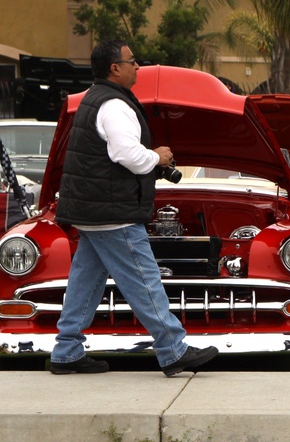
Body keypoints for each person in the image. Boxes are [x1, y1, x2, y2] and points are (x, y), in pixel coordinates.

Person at [50, 39, 219, 376]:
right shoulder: (114, 105)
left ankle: (66, 351)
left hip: (93, 211)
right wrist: (158, 156)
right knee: (144, 279)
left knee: (86, 280)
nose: (137, 66)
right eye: (132, 61)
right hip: (114, 213)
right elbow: (126, 155)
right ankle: (173, 350)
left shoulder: (94, 99)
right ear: (115, 68)